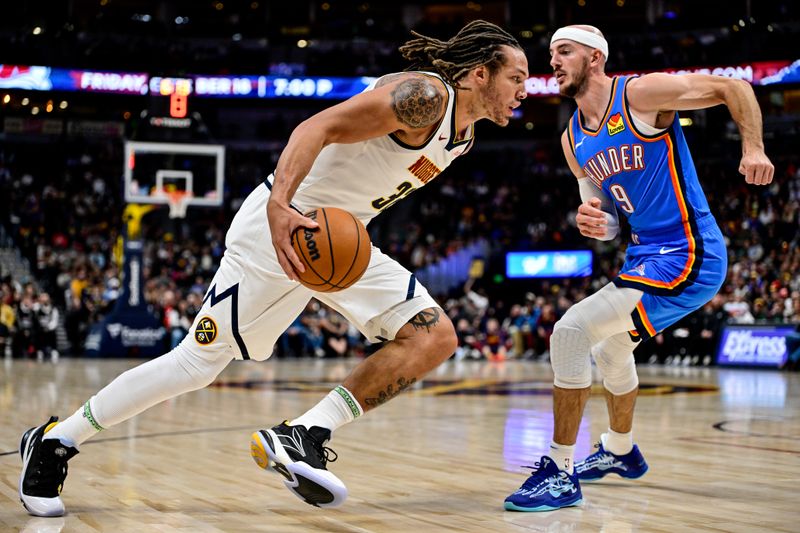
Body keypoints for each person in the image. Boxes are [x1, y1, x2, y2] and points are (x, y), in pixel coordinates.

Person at [19, 20, 528, 517]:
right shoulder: (425, 97)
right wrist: (280, 205)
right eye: (517, 77)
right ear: (480, 73)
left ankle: (304, 433)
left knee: (432, 336)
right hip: (281, 226)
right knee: (195, 365)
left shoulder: (463, 137)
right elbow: (317, 127)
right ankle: (55, 441)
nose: (524, 91)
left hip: (336, 238)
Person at [504, 24, 773, 512]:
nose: (555, 60)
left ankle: (559, 470)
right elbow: (604, 219)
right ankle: (620, 451)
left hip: (689, 250)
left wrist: (752, 147)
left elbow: (735, 86)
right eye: (551, 53)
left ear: (595, 58)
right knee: (610, 348)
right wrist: (597, 223)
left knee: (569, 332)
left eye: (564, 51)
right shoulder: (571, 140)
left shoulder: (640, 94)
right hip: (643, 253)